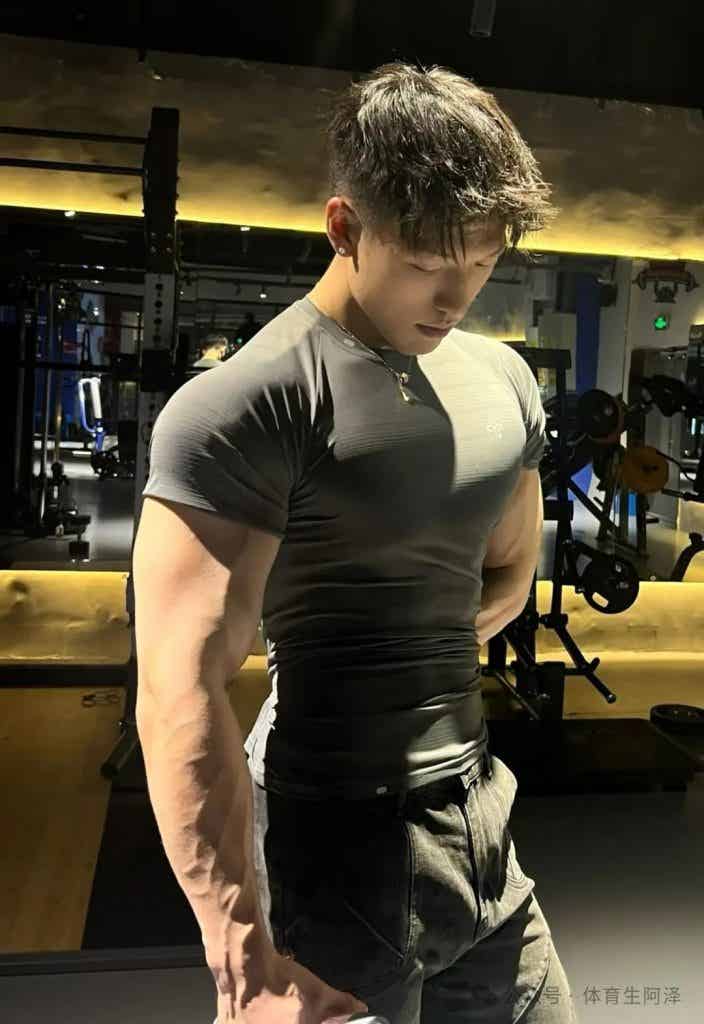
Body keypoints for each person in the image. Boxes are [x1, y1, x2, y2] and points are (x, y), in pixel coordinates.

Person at [132, 62, 579, 1024]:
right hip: (333, 837)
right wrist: (241, 953)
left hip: (480, 816)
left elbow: (511, 550)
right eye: (425, 263)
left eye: (482, 263)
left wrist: (450, 625)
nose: (455, 296)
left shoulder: (501, 378)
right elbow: (179, 688)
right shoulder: (248, 404)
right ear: (344, 227)